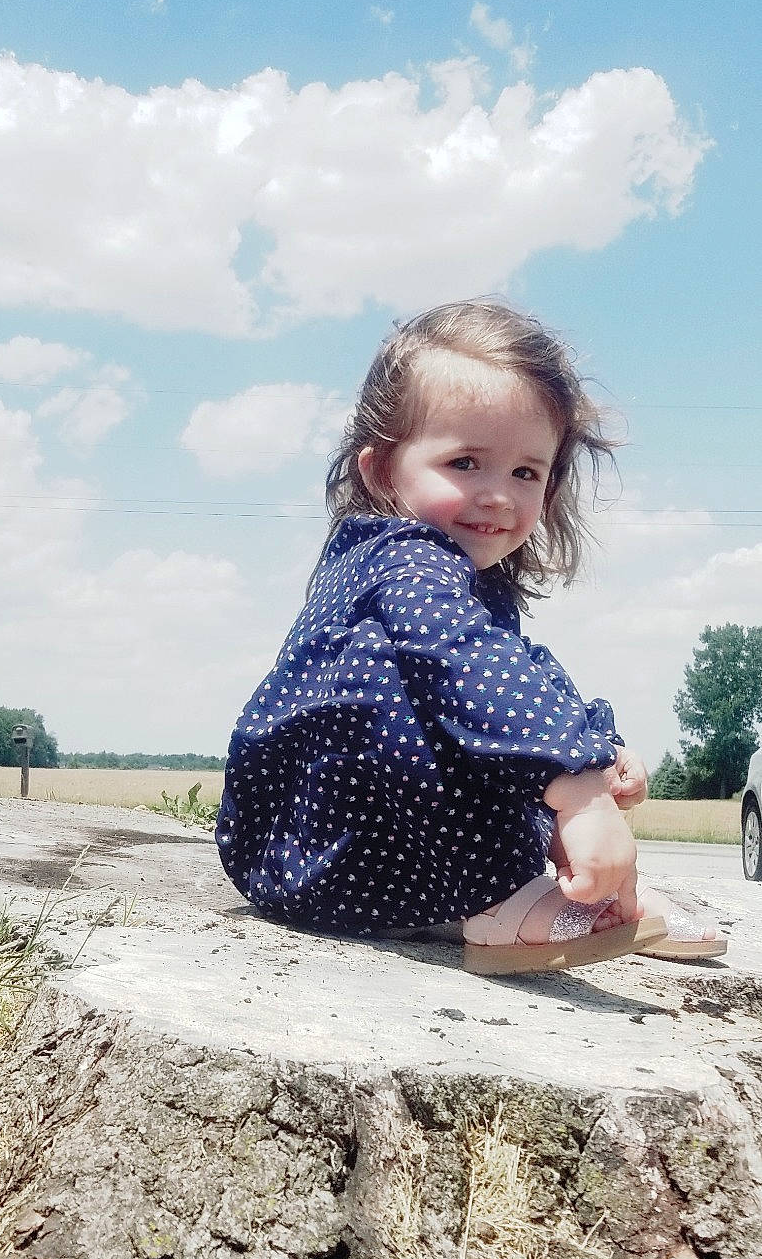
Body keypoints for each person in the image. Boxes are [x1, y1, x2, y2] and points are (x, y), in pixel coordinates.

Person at [216, 299, 719, 971]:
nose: (498, 495)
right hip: (323, 859)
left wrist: (594, 750)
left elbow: (501, 666)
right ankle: (500, 901)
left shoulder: (440, 578)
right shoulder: (401, 561)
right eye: (463, 463)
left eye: (524, 472)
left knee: (514, 674)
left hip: (351, 862)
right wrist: (572, 778)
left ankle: (568, 887)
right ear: (380, 470)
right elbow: (460, 655)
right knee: (460, 677)